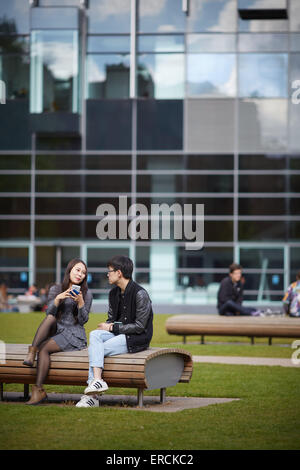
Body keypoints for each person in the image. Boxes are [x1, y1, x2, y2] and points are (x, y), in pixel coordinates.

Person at [76, 255, 153, 408]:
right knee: (95, 334)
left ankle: (92, 397)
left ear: (119, 273)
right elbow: (112, 319)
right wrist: (107, 325)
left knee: (97, 349)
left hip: (136, 338)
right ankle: (97, 381)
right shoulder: (113, 294)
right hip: (120, 333)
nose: (107, 274)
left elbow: (140, 326)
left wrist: (112, 327)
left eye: (109, 271)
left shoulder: (140, 294)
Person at [23, 258, 92, 405]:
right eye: (77, 270)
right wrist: (57, 300)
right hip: (56, 329)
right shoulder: (56, 289)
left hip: (74, 334)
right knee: (50, 318)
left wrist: (80, 304)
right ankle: (31, 352)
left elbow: (83, 321)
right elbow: (48, 312)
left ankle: (38, 390)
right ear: (70, 270)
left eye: (83, 273)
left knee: (44, 349)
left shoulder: (86, 294)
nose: (80, 274)